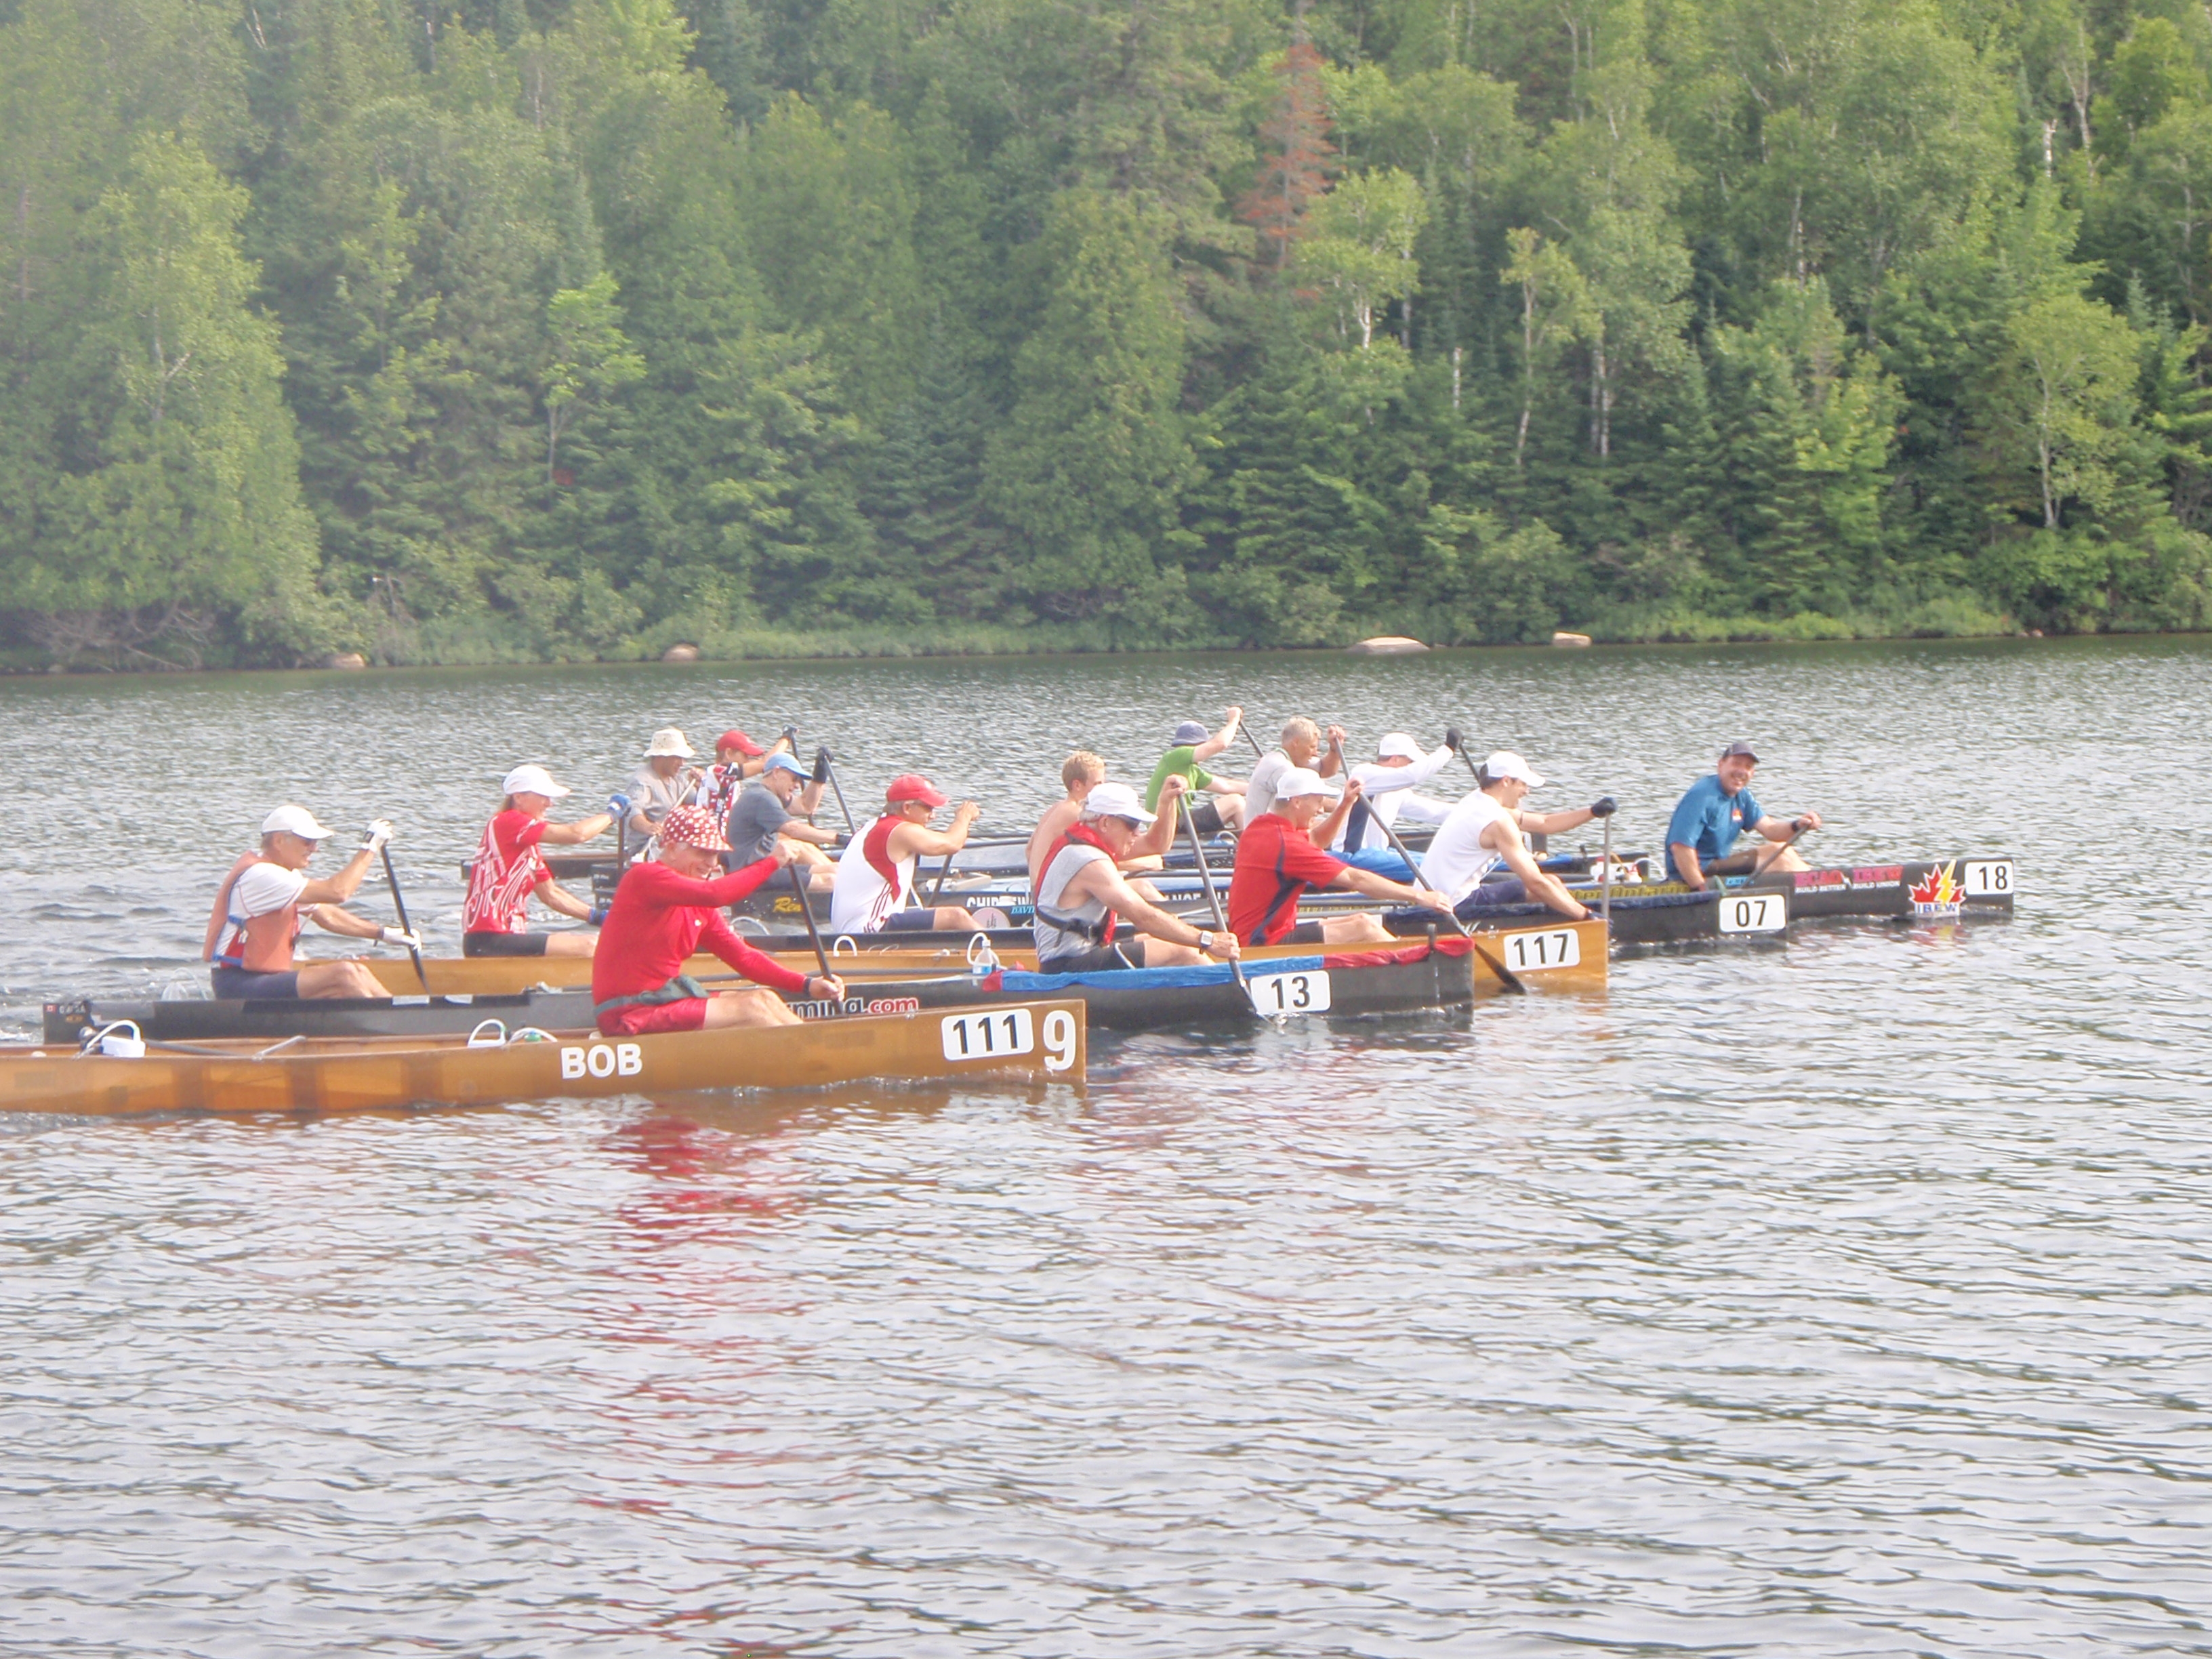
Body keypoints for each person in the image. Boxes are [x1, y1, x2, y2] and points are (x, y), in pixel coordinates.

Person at [590, 805, 844, 1036]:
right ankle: (817, 1054)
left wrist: (807, 985)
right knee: (752, 1007)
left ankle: (814, 1049)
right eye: (703, 852)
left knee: (766, 998)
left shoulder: (700, 906)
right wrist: (772, 862)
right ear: (671, 848)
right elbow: (717, 894)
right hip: (627, 1014)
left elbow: (744, 958)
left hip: (663, 1002)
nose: (711, 864)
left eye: (716, 855)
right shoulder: (646, 877)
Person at [202, 806, 416, 1000]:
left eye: (315, 842)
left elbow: (327, 915)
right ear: (278, 841)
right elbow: (338, 892)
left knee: (359, 970)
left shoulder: (283, 875)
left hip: (264, 979)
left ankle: (405, 1019)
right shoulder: (262, 875)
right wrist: (370, 847)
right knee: (345, 974)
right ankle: (396, 1027)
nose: (314, 849)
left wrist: (383, 933)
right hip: (239, 984)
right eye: (307, 841)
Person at [1032, 783, 1243, 974]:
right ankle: (1236, 994)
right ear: (1105, 823)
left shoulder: (1091, 841)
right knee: (1185, 949)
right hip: (1066, 967)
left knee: (1169, 940)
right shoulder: (1088, 860)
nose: (1137, 833)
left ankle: (1221, 986)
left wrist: (1165, 802)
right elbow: (1143, 917)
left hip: (1086, 952)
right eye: (1132, 824)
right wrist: (1208, 940)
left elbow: (1155, 846)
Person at [1227, 769, 1453, 946]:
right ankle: (1419, 967)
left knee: (1362, 919)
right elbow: (1355, 879)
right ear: (1297, 801)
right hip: (1262, 941)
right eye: (1318, 802)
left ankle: (1402, 957)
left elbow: (1316, 839)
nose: (1321, 810)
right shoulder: (1286, 844)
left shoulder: (1261, 827)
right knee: (1364, 928)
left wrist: (1346, 804)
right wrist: (1419, 896)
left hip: (1260, 931)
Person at [1420, 752, 1613, 922]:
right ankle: (1586, 931)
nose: (1527, 792)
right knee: (1546, 887)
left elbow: (1544, 823)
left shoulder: (1475, 801)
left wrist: (1593, 812)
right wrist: (1585, 915)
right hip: (1453, 904)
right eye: (1523, 784)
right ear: (1506, 781)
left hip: (1430, 897)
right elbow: (1535, 883)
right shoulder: (1498, 822)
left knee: (1552, 883)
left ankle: (1575, 927)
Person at [461, 764, 622, 958]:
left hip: (509, 937)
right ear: (519, 798)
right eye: (543, 796)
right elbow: (576, 834)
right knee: (589, 946)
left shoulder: (528, 849)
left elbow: (551, 895)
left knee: (590, 942)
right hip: (487, 938)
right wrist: (612, 813)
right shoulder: (508, 821)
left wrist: (600, 917)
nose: (549, 804)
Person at [830, 774, 1008, 935]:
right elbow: (952, 843)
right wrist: (964, 817)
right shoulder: (899, 831)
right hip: (866, 930)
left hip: (853, 926)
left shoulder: (873, 825)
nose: (933, 816)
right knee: (956, 916)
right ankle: (998, 957)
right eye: (929, 808)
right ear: (907, 807)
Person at [1666, 741, 1822, 887]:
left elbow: (1771, 830)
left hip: (1717, 865)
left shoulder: (1742, 797)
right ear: (1721, 765)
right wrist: (1700, 889)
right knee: (1781, 857)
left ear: (1752, 773)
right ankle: (1821, 887)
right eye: (1736, 764)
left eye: (1748, 767)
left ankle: (1820, 886)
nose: (1741, 771)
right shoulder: (1702, 796)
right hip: (1691, 873)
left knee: (1783, 849)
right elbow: (1681, 847)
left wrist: (1797, 825)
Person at [1028, 752, 1185, 890]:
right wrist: (1166, 801)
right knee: (1142, 887)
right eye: (1098, 784)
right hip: (1052, 896)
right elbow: (1154, 845)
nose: (1103, 788)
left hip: (1041, 891)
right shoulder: (1077, 813)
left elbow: (1029, 851)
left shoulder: (1056, 809)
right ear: (1077, 785)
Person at [1330, 729, 1464, 877]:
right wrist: (1447, 750)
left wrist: (1480, 813)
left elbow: (1436, 812)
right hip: (1351, 857)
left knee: (1444, 860)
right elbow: (1412, 775)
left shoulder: (1397, 791)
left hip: (1377, 855)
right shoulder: (1364, 774)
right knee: (1442, 866)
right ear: (1395, 759)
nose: (1413, 766)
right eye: (1411, 762)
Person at [725, 751, 838, 890]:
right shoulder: (762, 798)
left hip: (763, 867)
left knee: (834, 870)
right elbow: (793, 829)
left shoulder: (767, 795)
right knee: (830, 881)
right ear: (776, 773)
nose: (797, 785)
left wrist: (820, 775)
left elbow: (806, 805)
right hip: (751, 874)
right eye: (794, 778)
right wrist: (839, 838)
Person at [1143, 711, 1249, 834]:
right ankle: (1250, 845)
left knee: (1234, 805)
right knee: (1236, 802)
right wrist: (1234, 719)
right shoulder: (1176, 756)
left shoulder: (1193, 770)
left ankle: (1244, 843)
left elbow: (1228, 786)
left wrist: (1265, 786)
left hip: (1178, 824)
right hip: (1168, 826)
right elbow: (1220, 744)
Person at [1244, 718, 1347, 821]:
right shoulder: (1280, 767)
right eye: (1312, 747)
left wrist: (1334, 750)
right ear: (1296, 743)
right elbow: (1306, 800)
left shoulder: (1291, 760)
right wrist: (1347, 805)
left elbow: (1325, 770)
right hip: (1262, 833)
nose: (1316, 753)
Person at [624, 727, 703, 838]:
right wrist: (648, 827)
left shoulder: (678, 779)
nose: (682, 764)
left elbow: (698, 803)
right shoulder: (642, 781)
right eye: (677, 758)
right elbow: (632, 811)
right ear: (661, 757)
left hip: (673, 843)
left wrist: (701, 787)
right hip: (648, 846)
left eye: (683, 759)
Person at [694, 729, 774, 827]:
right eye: (745, 755)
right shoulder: (717, 772)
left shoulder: (734, 782)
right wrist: (786, 738)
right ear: (729, 753)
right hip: (709, 838)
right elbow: (765, 763)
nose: (748, 761)